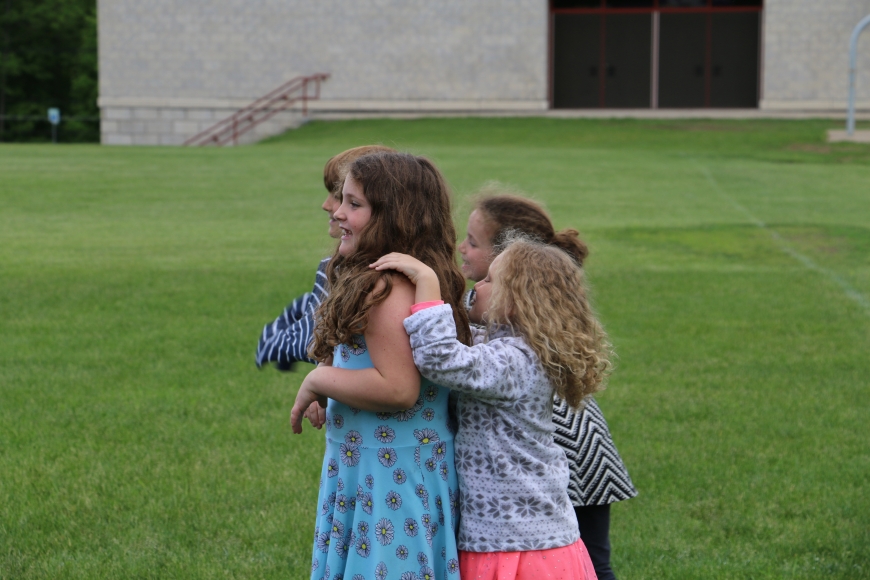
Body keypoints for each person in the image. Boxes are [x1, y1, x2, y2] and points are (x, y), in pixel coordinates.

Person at [370, 235, 610, 579]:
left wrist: (427, 282)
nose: (476, 285)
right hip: (513, 536)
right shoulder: (507, 347)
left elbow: (440, 359)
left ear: (515, 300)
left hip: (519, 544)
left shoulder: (515, 361)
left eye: (488, 280)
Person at [289, 152, 471, 580]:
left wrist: (319, 380)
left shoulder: (389, 289)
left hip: (392, 475)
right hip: (376, 466)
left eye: (353, 204)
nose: (338, 212)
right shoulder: (379, 278)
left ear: (394, 216)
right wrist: (330, 370)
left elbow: (398, 389)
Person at [457, 193, 637, 580]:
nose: (461, 249)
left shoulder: (517, 349)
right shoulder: (507, 324)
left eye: (473, 242)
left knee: (586, 558)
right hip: (557, 445)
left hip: (569, 440)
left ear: (507, 258)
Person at [255, 145, 395, 370]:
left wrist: (277, 341)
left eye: (339, 196)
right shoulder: (339, 266)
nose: (328, 206)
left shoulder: (370, 275)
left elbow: (316, 343)